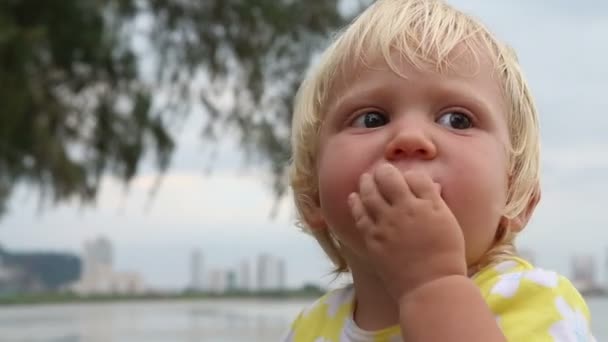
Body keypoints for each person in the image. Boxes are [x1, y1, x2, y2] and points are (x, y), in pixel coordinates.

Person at [282, 0, 596, 341]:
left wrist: (431, 284)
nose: (410, 137)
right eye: (372, 118)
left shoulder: (535, 300)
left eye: (457, 120)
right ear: (312, 196)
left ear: (517, 196)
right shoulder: (308, 328)